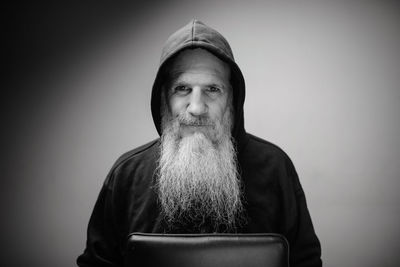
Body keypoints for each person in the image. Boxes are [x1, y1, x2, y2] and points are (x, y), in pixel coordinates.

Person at [77, 19, 322, 267]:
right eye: (182, 88)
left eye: (213, 89)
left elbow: (306, 262)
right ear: (163, 99)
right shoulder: (127, 175)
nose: (196, 108)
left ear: (233, 100)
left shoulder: (275, 168)